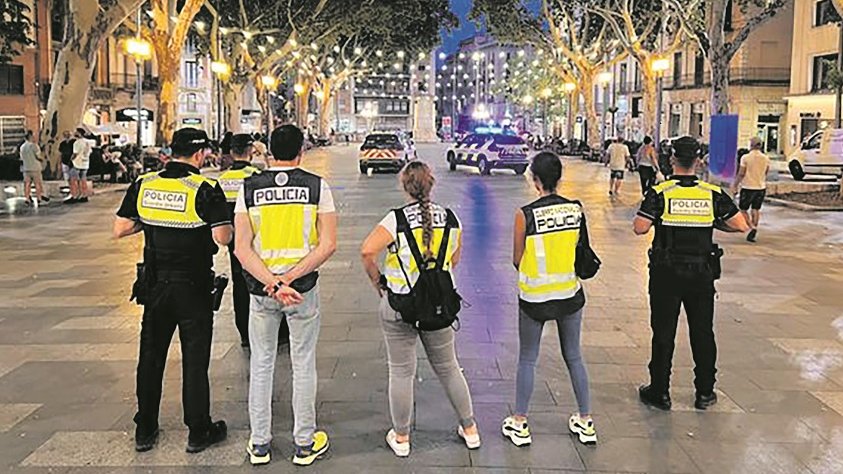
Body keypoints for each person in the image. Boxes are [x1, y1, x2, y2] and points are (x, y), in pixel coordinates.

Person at [112, 128, 232, 453]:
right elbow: (222, 237)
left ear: (171, 151)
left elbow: (121, 227)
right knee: (195, 359)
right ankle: (198, 430)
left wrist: (151, 222)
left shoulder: (145, 184)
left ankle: (146, 429)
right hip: (193, 285)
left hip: (154, 285)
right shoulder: (205, 188)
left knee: (150, 356)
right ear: (199, 154)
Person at [361, 161, 480, 458]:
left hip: (400, 304)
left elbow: (366, 250)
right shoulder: (451, 218)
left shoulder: (395, 219)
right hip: (438, 305)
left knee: (401, 372)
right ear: (432, 184)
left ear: (405, 185)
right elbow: (454, 260)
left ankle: (401, 437)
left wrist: (379, 283)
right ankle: (470, 429)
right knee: (449, 367)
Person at [234, 124, 337, 466]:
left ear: (269, 153)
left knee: (261, 364)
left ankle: (260, 443)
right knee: (303, 362)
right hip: (301, 290)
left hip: (262, 291)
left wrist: (272, 283)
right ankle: (304, 443)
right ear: (301, 152)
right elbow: (328, 244)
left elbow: (242, 249)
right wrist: (290, 279)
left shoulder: (248, 188)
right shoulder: (317, 187)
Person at [633, 136, 749, 412]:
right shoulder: (712, 193)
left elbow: (639, 227)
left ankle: (660, 391)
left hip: (666, 273)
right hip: (701, 273)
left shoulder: (660, 192)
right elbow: (741, 224)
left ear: (671, 160)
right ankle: (705, 392)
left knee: (663, 332)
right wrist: (711, 224)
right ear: (698, 161)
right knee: (702, 332)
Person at [500, 152, 596, 447]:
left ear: (534, 179)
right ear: (559, 178)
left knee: (528, 358)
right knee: (574, 356)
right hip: (569, 293)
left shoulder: (524, 214)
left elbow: (518, 258)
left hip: (535, 298)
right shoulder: (576, 210)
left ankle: (520, 422)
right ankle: (585, 420)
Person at [218, 134, 291, 348]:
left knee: (240, 286)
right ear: (251, 151)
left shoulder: (220, 182)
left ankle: (245, 334)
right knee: (267, 282)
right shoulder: (259, 177)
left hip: (234, 242)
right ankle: (277, 332)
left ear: (231, 153)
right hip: (260, 240)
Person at [732, 137, 770, 243]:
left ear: (751, 145)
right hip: (761, 187)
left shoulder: (745, 158)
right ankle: (755, 227)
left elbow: (741, 173)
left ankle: (751, 227)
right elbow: (766, 172)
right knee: (756, 209)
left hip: (748, 187)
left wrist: (735, 185)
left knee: (743, 209)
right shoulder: (766, 158)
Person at [19, 130, 49, 205]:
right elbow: (38, 156)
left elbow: (21, 158)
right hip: (35, 168)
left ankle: (27, 198)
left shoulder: (22, 147)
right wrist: (43, 159)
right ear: (30, 136)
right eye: (33, 136)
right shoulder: (34, 146)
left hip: (26, 168)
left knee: (27, 184)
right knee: (37, 183)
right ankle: (39, 198)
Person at [71, 128, 92, 203]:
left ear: (79, 133)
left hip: (77, 163)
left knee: (74, 180)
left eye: (76, 132)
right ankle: (84, 195)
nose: (74, 133)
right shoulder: (88, 142)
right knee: (83, 180)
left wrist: (71, 160)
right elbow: (90, 152)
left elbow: (75, 154)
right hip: (85, 163)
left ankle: (75, 196)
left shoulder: (77, 142)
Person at [59, 131, 78, 200]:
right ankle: (72, 192)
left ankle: (75, 193)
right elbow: (60, 154)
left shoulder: (74, 142)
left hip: (73, 163)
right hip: (65, 162)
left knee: (73, 179)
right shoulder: (62, 144)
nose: (66, 136)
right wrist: (60, 163)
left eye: (68, 134)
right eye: (65, 135)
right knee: (68, 179)